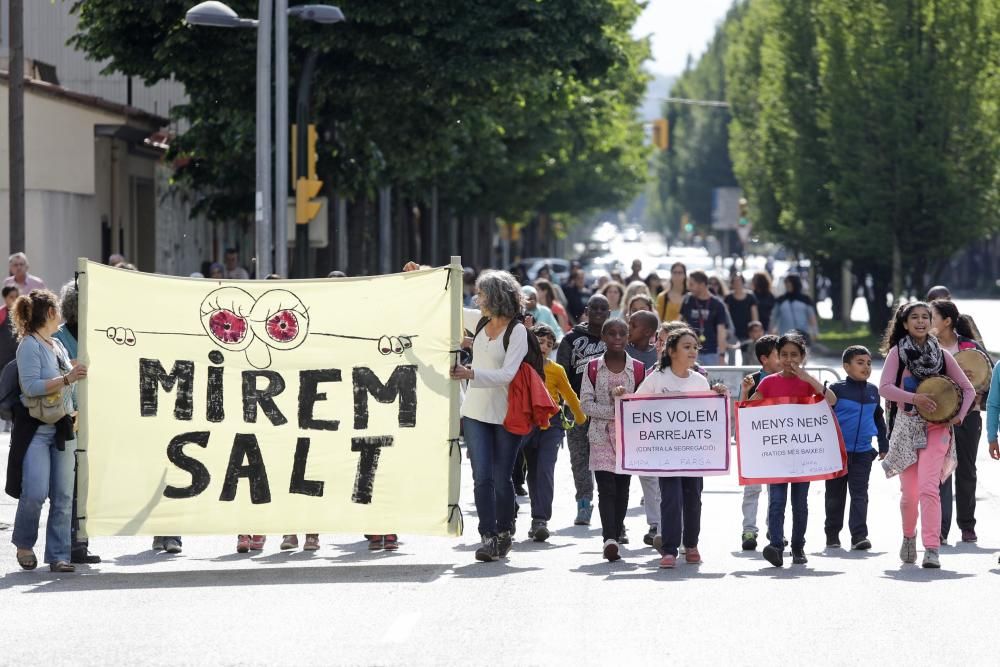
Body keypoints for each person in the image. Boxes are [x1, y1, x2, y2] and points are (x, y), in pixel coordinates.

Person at [879, 301, 975, 569]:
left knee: (928, 487)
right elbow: (884, 388)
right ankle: (909, 537)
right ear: (905, 323)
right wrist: (914, 398)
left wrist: (959, 415)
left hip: (937, 429)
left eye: (926, 316)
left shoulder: (942, 355)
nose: (921, 321)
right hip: (907, 426)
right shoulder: (897, 354)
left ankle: (931, 548)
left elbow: (967, 390)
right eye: (915, 317)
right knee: (909, 493)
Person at [451, 269, 530, 562]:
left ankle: (505, 531)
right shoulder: (481, 322)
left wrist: (470, 372)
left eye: (481, 293)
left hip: (506, 415)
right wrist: (422, 273)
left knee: (501, 477)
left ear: (495, 296)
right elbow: (450, 306)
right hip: (475, 412)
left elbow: (507, 374)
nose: (477, 298)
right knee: (481, 476)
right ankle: (488, 536)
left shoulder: (517, 331)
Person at [10, 289, 88, 573]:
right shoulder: (29, 345)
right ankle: (24, 543)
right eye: (57, 309)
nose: (61, 315)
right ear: (50, 313)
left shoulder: (56, 344)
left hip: (64, 425)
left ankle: (58, 555)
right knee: (35, 491)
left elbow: (67, 377)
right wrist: (67, 377)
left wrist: (75, 372)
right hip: (39, 429)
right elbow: (31, 386)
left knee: (64, 494)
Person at [636, 326, 727, 568]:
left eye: (695, 347)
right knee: (671, 498)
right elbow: (636, 408)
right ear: (672, 351)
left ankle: (691, 544)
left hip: (694, 453)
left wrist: (718, 395)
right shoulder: (656, 378)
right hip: (665, 453)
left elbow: (710, 416)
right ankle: (668, 549)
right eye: (687, 347)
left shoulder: (699, 381)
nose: (693, 351)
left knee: (693, 497)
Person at [748, 332, 836, 567]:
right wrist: (745, 391)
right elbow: (751, 409)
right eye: (784, 355)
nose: (788, 360)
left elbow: (832, 400)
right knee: (776, 502)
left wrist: (808, 378)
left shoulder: (808, 383)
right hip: (776, 456)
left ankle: (798, 546)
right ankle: (776, 544)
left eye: (794, 355)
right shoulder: (769, 382)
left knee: (800, 503)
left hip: (803, 456)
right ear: (777, 356)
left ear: (803, 357)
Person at [580, 318, 642, 562]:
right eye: (612, 334)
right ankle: (609, 538)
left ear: (628, 337)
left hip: (628, 439)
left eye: (622, 334)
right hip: (600, 436)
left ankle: (617, 529)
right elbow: (586, 403)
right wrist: (615, 410)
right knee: (606, 487)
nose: (617, 338)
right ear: (603, 337)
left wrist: (627, 401)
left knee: (623, 487)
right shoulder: (593, 368)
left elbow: (642, 403)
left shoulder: (637, 369)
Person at [930, 299, 990, 544]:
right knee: (939, 473)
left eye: (931, 316)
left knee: (966, 470)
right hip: (937, 417)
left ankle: (967, 525)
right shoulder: (927, 347)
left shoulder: (969, 346)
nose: (926, 321)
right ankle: (940, 529)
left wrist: (976, 385)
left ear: (947, 321)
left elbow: (989, 376)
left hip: (969, 415)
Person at [49, 282, 102, 564]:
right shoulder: (58, 339)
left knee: (86, 483)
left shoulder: (97, 336)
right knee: (68, 484)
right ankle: (67, 544)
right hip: (67, 418)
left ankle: (80, 543)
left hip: (92, 418)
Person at [521, 325, 585, 542]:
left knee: (545, 469)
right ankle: (533, 517)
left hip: (552, 424)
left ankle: (541, 520)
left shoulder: (556, 369)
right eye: (540, 341)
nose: (545, 347)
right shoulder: (522, 366)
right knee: (533, 471)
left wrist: (581, 418)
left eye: (550, 344)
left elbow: (570, 395)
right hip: (527, 423)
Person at [824, 346, 889, 551]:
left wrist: (883, 444)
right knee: (835, 495)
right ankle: (832, 534)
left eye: (869, 363)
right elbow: (821, 418)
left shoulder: (873, 391)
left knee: (860, 494)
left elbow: (879, 418)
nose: (866, 367)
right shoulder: (837, 389)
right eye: (860, 363)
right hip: (837, 453)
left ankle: (859, 535)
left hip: (862, 452)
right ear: (846, 366)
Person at [556, 295, 610, 525]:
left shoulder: (615, 337)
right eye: (594, 308)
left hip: (606, 409)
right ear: (587, 310)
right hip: (576, 408)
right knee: (579, 458)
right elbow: (561, 373)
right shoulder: (571, 339)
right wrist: (562, 404)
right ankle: (584, 503)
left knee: (607, 460)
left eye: (603, 308)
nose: (598, 311)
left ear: (609, 312)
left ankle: (611, 509)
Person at [737, 334, 780, 550]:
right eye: (778, 354)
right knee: (752, 490)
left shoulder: (787, 379)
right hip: (754, 445)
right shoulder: (751, 380)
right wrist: (745, 391)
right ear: (764, 359)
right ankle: (749, 531)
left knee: (776, 491)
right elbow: (743, 410)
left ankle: (775, 528)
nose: (783, 358)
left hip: (778, 445)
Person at [679, 271, 729, 367]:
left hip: (711, 352)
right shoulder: (688, 300)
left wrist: (722, 355)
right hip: (690, 352)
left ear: (702, 284)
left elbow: (721, 331)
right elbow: (680, 322)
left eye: (692, 284)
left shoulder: (717, 304)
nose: (689, 287)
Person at [771, 274, 818, 344]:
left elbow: (811, 317)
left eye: (789, 283)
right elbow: (773, 317)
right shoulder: (780, 300)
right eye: (786, 283)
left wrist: (815, 332)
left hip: (802, 335)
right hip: (784, 335)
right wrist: (770, 332)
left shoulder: (806, 299)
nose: (787, 285)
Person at [725, 273, 760, 366]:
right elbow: (726, 316)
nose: (737, 284)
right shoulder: (728, 297)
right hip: (733, 332)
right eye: (735, 282)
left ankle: (747, 378)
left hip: (747, 332)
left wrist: (755, 330)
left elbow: (754, 315)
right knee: (731, 357)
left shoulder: (750, 297)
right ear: (732, 284)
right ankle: (731, 379)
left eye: (739, 281)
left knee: (747, 357)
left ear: (743, 282)